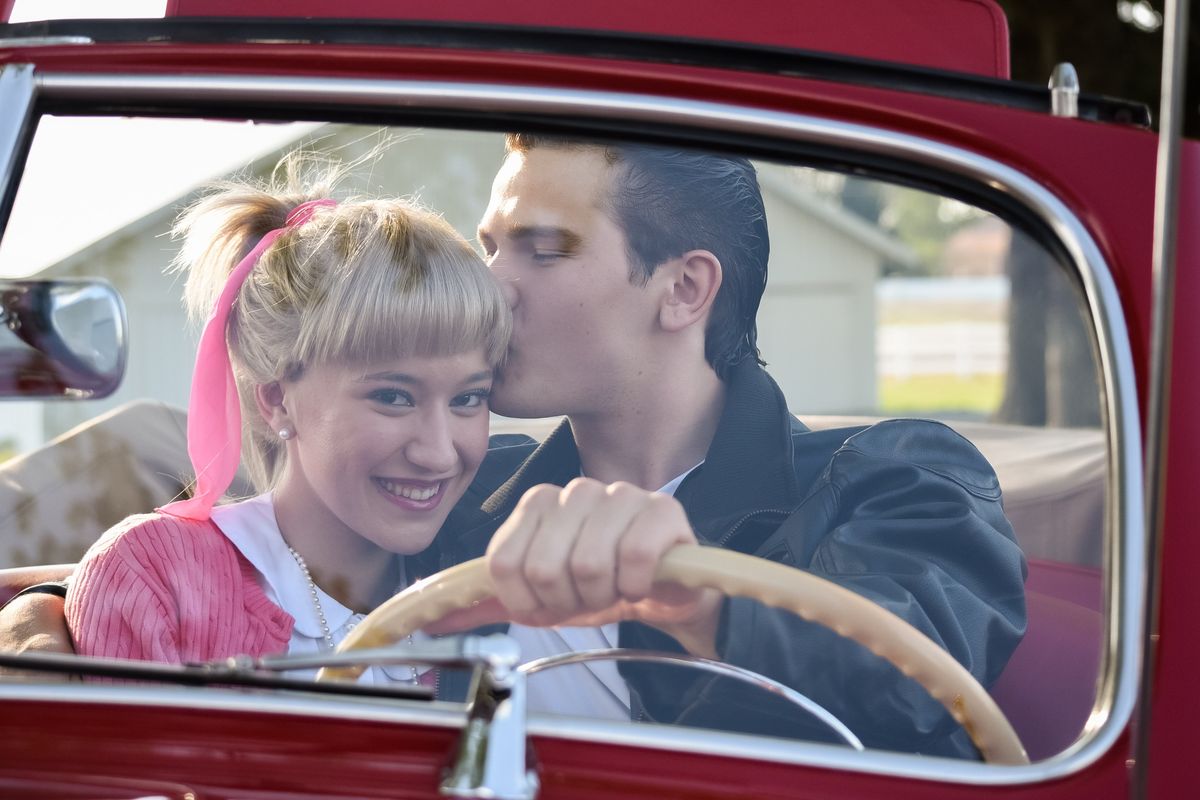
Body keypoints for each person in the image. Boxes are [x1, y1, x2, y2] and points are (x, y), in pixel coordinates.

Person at [0, 135, 1025, 758]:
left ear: (684, 287)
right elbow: (246, 564)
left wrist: (688, 599)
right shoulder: (454, 492)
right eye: (490, 243)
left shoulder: (897, 477)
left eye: (542, 247)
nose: (490, 284)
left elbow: (919, 678)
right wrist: (52, 625)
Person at [61, 154, 511, 676]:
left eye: (467, 399)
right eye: (393, 397)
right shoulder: (160, 578)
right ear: (275, 399)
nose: (437, 452)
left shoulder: (492, 563)